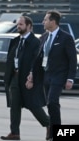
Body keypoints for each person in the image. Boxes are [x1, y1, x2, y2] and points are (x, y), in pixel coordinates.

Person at [27, 10, 77, 141]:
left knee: (52, 102)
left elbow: (73, 59)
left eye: (45, 20)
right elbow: (37, 58)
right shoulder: (43, 37)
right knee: (50, 104)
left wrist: (70, 78)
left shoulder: (66, 38)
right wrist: (32, 74)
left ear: (53, 22)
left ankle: (56, 133)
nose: (43, 22)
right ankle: (53, 131)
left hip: (59, 75)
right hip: (46, 76)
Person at [2, 16, 50, 140]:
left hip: (28, 78)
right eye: (18, 24)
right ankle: (14, 133)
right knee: (14, 106)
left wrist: (32, 76)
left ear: (29, 26)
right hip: (15, 78)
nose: (18, 26)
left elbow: (37, 61)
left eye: (21, 24)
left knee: (33, 105)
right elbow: (10, 59)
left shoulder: (35, 42)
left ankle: (49, 125)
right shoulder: (15, 41)